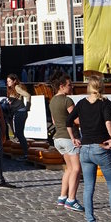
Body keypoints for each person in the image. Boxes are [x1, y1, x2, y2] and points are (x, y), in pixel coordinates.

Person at [67, 76, 111, 222]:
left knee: (88, 187)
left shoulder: (82, 103)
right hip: (101, 147)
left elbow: (68, 121)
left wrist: (73, 138)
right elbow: (108, 122)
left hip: (85, 148)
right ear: (102, 87)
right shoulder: (105, 103)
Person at [49, 72, 83, 213]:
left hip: (58, 138)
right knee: (76, 169)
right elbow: (76, 120)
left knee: (69, 169)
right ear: (62, 86)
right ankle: (71, 199)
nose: (72, 87)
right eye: (69, 85)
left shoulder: (52, 101)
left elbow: (54, 121)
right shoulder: (67, 100)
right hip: (69, 138)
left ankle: (62, 197)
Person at [4, 74, 32, 157]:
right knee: (17, 133)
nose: (8, 83)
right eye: (7, 81)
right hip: (17, 112)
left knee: (19, 134)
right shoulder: (11, 89)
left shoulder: (17, 87)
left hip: (21, 112)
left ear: (14, 81)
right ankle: (24, 152)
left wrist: (27, 107)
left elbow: (28, 95)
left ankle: (26, 154)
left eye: (9, 81)